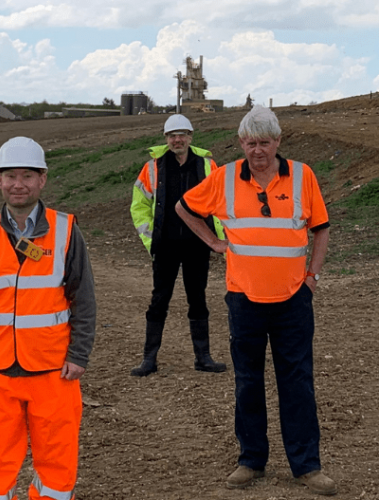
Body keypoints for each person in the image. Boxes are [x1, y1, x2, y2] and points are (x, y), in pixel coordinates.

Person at [177, 105, 337, 496]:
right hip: (244, 300)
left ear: (278, 141)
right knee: (248, 382)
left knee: (297, 382)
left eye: (265, 142)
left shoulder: (302, 176)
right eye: (250, 143)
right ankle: (251, 460)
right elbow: (184, 207)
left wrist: (312, 277)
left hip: (293, 300)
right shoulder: (225, 178)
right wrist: (213, 241)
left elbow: (321, 230)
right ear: (241, 142)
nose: (257, 150)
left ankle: (307, 466)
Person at [0, 137, 97, 500]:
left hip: (54, 370)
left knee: (57, 462)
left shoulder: (66, 230)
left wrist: (79, 355)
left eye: (27, 175)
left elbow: (83, 298)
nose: (19, 183)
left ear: (43, 180)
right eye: (10, 175)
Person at [129, 113, 227, 376]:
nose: (177, 139)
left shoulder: (207, 165)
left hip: (198, 244)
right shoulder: (153, 167)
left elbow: (221, 202)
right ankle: (149, 359)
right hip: (166, 246)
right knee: (159, 300)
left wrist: (218, 240)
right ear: (166, 139)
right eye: (172, 135)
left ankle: (203, 358)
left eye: (182, 134)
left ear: (191, 137)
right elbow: (139, 206)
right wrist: (152, 240)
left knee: (198, 299)